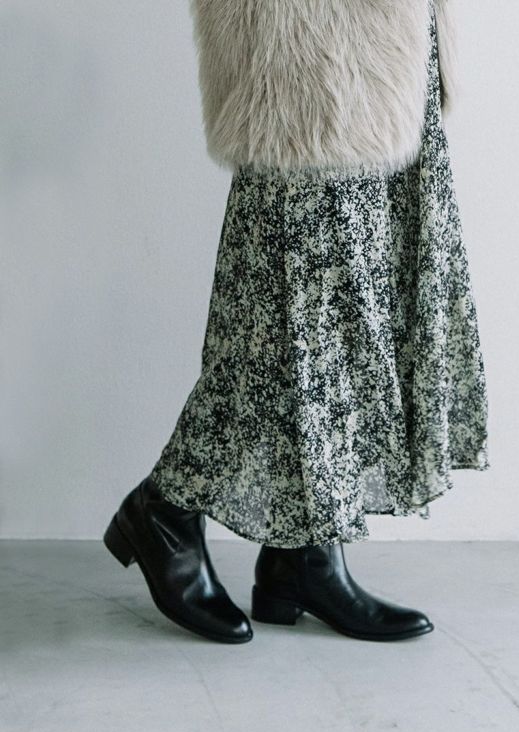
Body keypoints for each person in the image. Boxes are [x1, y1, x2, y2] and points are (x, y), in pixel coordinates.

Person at [103, 0, 489, 644]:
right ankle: (165, 508)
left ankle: (303, 554)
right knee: (288, 310)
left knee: (359, 303)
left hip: (390, 39)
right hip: (315, 40)